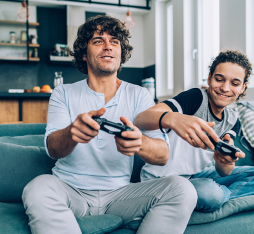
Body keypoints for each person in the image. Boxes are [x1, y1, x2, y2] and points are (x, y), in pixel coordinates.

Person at [21, 15, 197, 234]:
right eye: (98, 41)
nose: (108, 47)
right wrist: (71, 134)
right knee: (37, 188)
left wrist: (139, 143)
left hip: (120, 195)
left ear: (121, 52)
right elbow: (53, 149)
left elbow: (162, 156)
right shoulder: (63, 92)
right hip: (70, 189)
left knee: (182, 189)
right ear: (84, 54)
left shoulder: (140, 94)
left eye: (114, 42)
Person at [135, 50, 254, 213]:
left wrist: (226, 161)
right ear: (210, 77)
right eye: (219, 79)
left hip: (198, 175)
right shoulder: (196, 98)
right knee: (211, 195)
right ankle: (220, 198)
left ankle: (218, 197)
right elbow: (141, 118)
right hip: (163, 180)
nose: (225, 88)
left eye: (234, 83)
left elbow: (223, 172)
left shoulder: (232, 119)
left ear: (242, 87)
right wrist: (174, 118)